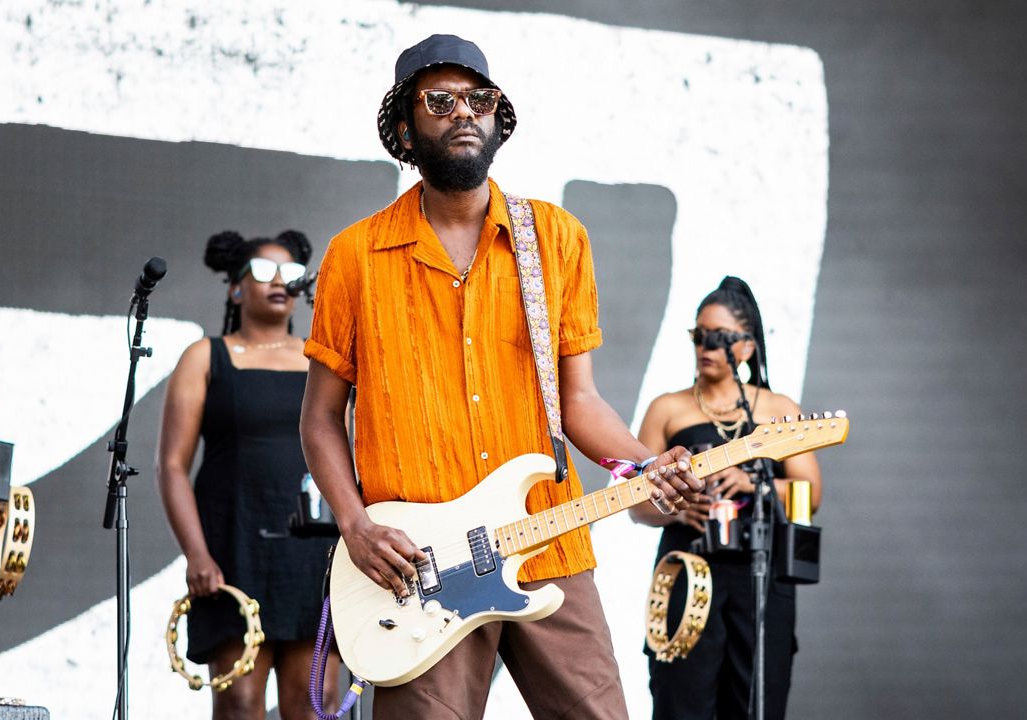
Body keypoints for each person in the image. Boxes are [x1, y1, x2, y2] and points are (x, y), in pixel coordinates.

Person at [299, 34, 703, 718]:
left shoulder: (556, 239)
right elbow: (318, 420)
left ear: (496, 120)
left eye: (479, 99)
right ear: (405, 126)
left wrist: (643, 463)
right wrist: (355, 524)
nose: (464, 112)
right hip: (420, 569)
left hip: (546, 543)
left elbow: (578, 402)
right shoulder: (355, 256)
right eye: (441, 100)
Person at [157, 229, 336, 720]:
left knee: (313, 704)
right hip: (234, 549)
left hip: (314, 551)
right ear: (235, 288)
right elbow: (172, 465)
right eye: (262, 271)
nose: (278, 281)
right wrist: (196, 555)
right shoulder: (205, 356)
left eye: (289, 272)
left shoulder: (321, 357)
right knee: (239, 702)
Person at [631, 276, 823, 719]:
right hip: (687, 572)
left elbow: (809, 496)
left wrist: (756, 483)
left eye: (718, 338)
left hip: (759, 577)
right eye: (699, 336)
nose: (706, 347)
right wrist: (676, 505)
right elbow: (637, 505)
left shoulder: (779, 410)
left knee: (757, 699)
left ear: (747, 347)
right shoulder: (668, 408)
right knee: (680, 699)